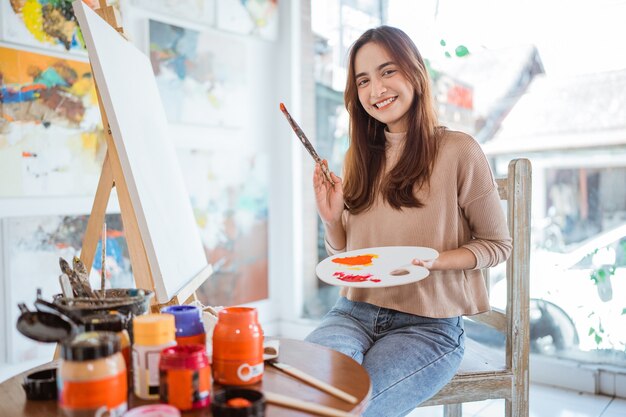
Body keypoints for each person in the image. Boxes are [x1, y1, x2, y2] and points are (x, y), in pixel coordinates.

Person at [305, 26, 512, 417]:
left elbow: (498, 245)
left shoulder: (458, 150)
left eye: (387, 71)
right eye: (363, 80)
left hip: (428, 327)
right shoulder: (359, 157)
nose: (375, 89)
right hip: (352, 314)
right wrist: (331, 220)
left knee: (349, 410)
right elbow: (349, 258)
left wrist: (434, 260)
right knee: (306, 396)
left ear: (414, 73)